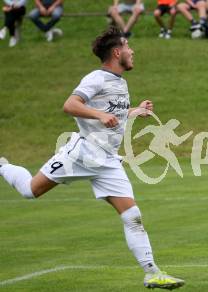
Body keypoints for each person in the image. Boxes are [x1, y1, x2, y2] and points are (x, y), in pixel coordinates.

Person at [0, 27, 185, 290]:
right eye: (128, 46)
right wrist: (98, 116)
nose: (133, 51)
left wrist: (135, 111)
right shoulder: (96, 78)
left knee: (132, 215)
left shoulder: (120, 82)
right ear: (117, 52)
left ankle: (152, 272)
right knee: (30, 190)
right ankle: (2, 165)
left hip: (107, 161)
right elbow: (70, 105)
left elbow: (112, 116)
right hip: (82, 154)